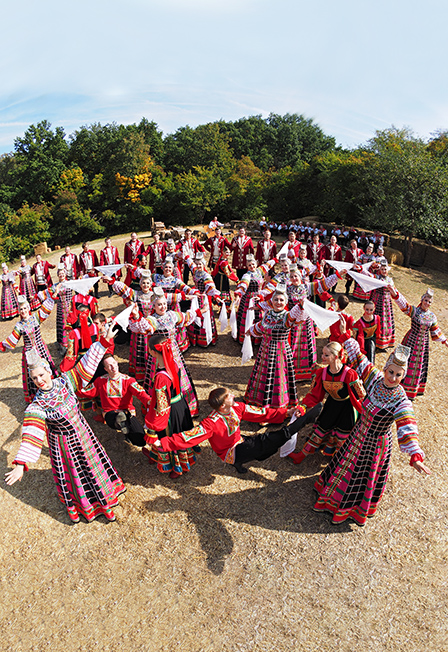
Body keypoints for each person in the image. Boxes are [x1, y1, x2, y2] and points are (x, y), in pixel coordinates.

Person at [4, 327, 126, 524]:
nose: (39, 380)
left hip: (84, 433)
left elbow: (86, 364)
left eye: (41, 375)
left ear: (49, 373)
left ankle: (106, 498)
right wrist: (20, 464)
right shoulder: (37, 405)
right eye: (35, 378)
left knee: (93, 464)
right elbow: (31, 433)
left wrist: (104, 342)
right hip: (64, 444)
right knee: (77, 472)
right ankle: (86, 507)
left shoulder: (66, 381)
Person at [313, 337, 430, 526]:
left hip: (375, 444)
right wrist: (345, 335)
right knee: (344, 465)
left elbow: (407, 424)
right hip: (357, 434)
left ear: (403, 376)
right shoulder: (375, 379)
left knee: (360, 475)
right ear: (385, 369)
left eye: (398, 375)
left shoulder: (401, 400)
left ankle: (351, 508)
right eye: (390, 372)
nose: (392, 378)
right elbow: (360, 359)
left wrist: (415, 455)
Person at [153, 386, 321, 474]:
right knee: (269, 440)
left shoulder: (237, 407)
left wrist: (286, 412)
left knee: (263, 451)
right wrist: (164, 442)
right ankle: (301, 423)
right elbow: (190, 436)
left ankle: (240, 462)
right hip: (229, 452)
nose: (233, 395)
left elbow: (261, 413)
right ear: (223, 404)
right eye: (229, 395)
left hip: (239, 442)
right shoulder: (211, 423)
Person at [288, 341, 365, 464]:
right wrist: (303, 406)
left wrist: (366, 413)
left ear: (335, 356)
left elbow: (359, 396)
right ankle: (302, 455)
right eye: (323, 354)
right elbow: (314, 395)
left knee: (343, 433)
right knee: (322, 427)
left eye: (326, 355)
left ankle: (340, 461)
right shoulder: (321, 373)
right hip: (331, 405)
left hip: (347, 408)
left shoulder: (349, 374)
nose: (322, 357)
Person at [128, 288, 199, 416]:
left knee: (178, 375)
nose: (163, 307)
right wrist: (137, 316)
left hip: (173, 352)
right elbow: (142, 326)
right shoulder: (152, 319)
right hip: (158, 355)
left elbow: (186, 317)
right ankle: (160, 407)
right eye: (159, 304)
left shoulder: (172, 315)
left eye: (164, 304)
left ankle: (182, 406)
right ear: (153, 306)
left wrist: (199, 311)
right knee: (159, 379)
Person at [144, 334, 199, 478]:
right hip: (181, 404)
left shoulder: (161, 377)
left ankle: (176, 466)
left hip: (170, 411)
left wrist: (153, 419)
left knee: (169, 436)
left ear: (152, 352)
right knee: (181, 432)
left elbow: (162, 405)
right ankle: (159, 456)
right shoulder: (173, 363)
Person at [244, 285, 302, 409]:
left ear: (285, 302)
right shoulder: (268, 313)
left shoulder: (287, 316)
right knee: (264, 375)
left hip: (280, 351)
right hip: (265, 350)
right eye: (276, 300)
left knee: (278, 376)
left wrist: (301, 305)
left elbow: (295, 315)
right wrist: (251, 330)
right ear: (272, 301)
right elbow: (261, 325)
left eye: (281, 300)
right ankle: (259, 401)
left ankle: (277, 404)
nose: (278, 302)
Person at [78, 353, 151, 450]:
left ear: (117, 362)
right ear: (105, 369)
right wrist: (73, 388)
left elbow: (140, 393)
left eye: (114, 363)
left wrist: (150, 401)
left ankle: (126, 427)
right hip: (110, 414)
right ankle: (122, 423)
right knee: (119, 417)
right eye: (109, 366)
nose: (113, 367)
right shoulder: (101, 381)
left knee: (141, 440)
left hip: (127, 411)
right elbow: (86, 392)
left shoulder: (128, 380)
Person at [390, 287, 448, 399]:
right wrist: (394, 292)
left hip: (422, 345)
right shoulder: (415, 311)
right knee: (404, 361)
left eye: (429, 302)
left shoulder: (432, 316)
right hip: (410, 340)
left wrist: (445, 341)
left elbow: (436, 330)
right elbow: (403, 305)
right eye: (426, 300)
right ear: (422, 300)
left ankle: (411, 391)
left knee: (417, 365)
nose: (427, 303)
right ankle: (397, 384)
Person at [0, 292, 58, 403]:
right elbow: (13, 338)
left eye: (25, 308)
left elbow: (46, 309)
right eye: (21, 309)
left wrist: (52, 294)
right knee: (33, 375)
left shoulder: (35, 318)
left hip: (41, 348)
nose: (23, 311)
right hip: (29, 352)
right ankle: (37, 395)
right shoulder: (19, 325)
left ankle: (52, 389)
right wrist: (2, 344)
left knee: (46, 369)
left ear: (28, 308)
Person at [104, 269, 153, 380]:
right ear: (140, 284)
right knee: (139, 349)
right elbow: (124, 289)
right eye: (143, 283)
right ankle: (139, 373)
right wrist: (112, 281)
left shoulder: (155, 296)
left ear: (151, 284)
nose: (145, 285)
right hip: (137, 326)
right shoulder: (136, 295)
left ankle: (149, 371)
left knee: (149, 350)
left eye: (148, 283)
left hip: (149, 326)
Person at [233, 253, 277, 344]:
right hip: (249, 299)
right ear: (247, 266)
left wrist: (277, 258)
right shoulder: (247, 275)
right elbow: (243, 284)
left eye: (253, 264)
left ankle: (258, 337)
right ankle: (246, 336)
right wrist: (238, 294)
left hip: (259, 297)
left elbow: (269, 264)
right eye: (249, 265)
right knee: (247, 317)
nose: (252, 266)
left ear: (256, 264)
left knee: (259, 317)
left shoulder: (259, 271)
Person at [183, 252, 223, 347]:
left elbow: (211, 287)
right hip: (195, 297)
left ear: (204, 265)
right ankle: (195, 339)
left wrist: (217, 297)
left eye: (200, 264)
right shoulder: (195, 271)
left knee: (203, 316)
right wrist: (186, 254)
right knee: (195, 315)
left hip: (203, 299)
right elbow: (190, 263)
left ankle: (205, 339)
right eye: (197, 264)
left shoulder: (206, 276)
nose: (198, 265)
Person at [370, 257, 396, 350]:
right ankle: (373, 339)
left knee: (385, 320)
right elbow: (368, 275)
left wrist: (392, 289)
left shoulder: (390, 280)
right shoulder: (376, 277)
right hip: (377, 300)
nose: (384, 271)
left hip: (386, 303)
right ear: (379, 270)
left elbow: (395, 292)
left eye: (385, 269)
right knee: (375, 318)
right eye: (382, 269)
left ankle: (384, 343)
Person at [210, 246, 238, 313]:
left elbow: (218, 268)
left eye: (229, 252)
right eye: (226, 252)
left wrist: (213, 275)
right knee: (223, 292)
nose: (228, 254)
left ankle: (222, 307)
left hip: (218, 277)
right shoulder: (224, 262)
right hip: (223, 279)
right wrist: (236, 280)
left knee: (220, 292)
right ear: (222, 252)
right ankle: (223, 308)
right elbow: (228, 273)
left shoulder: (221, 259)